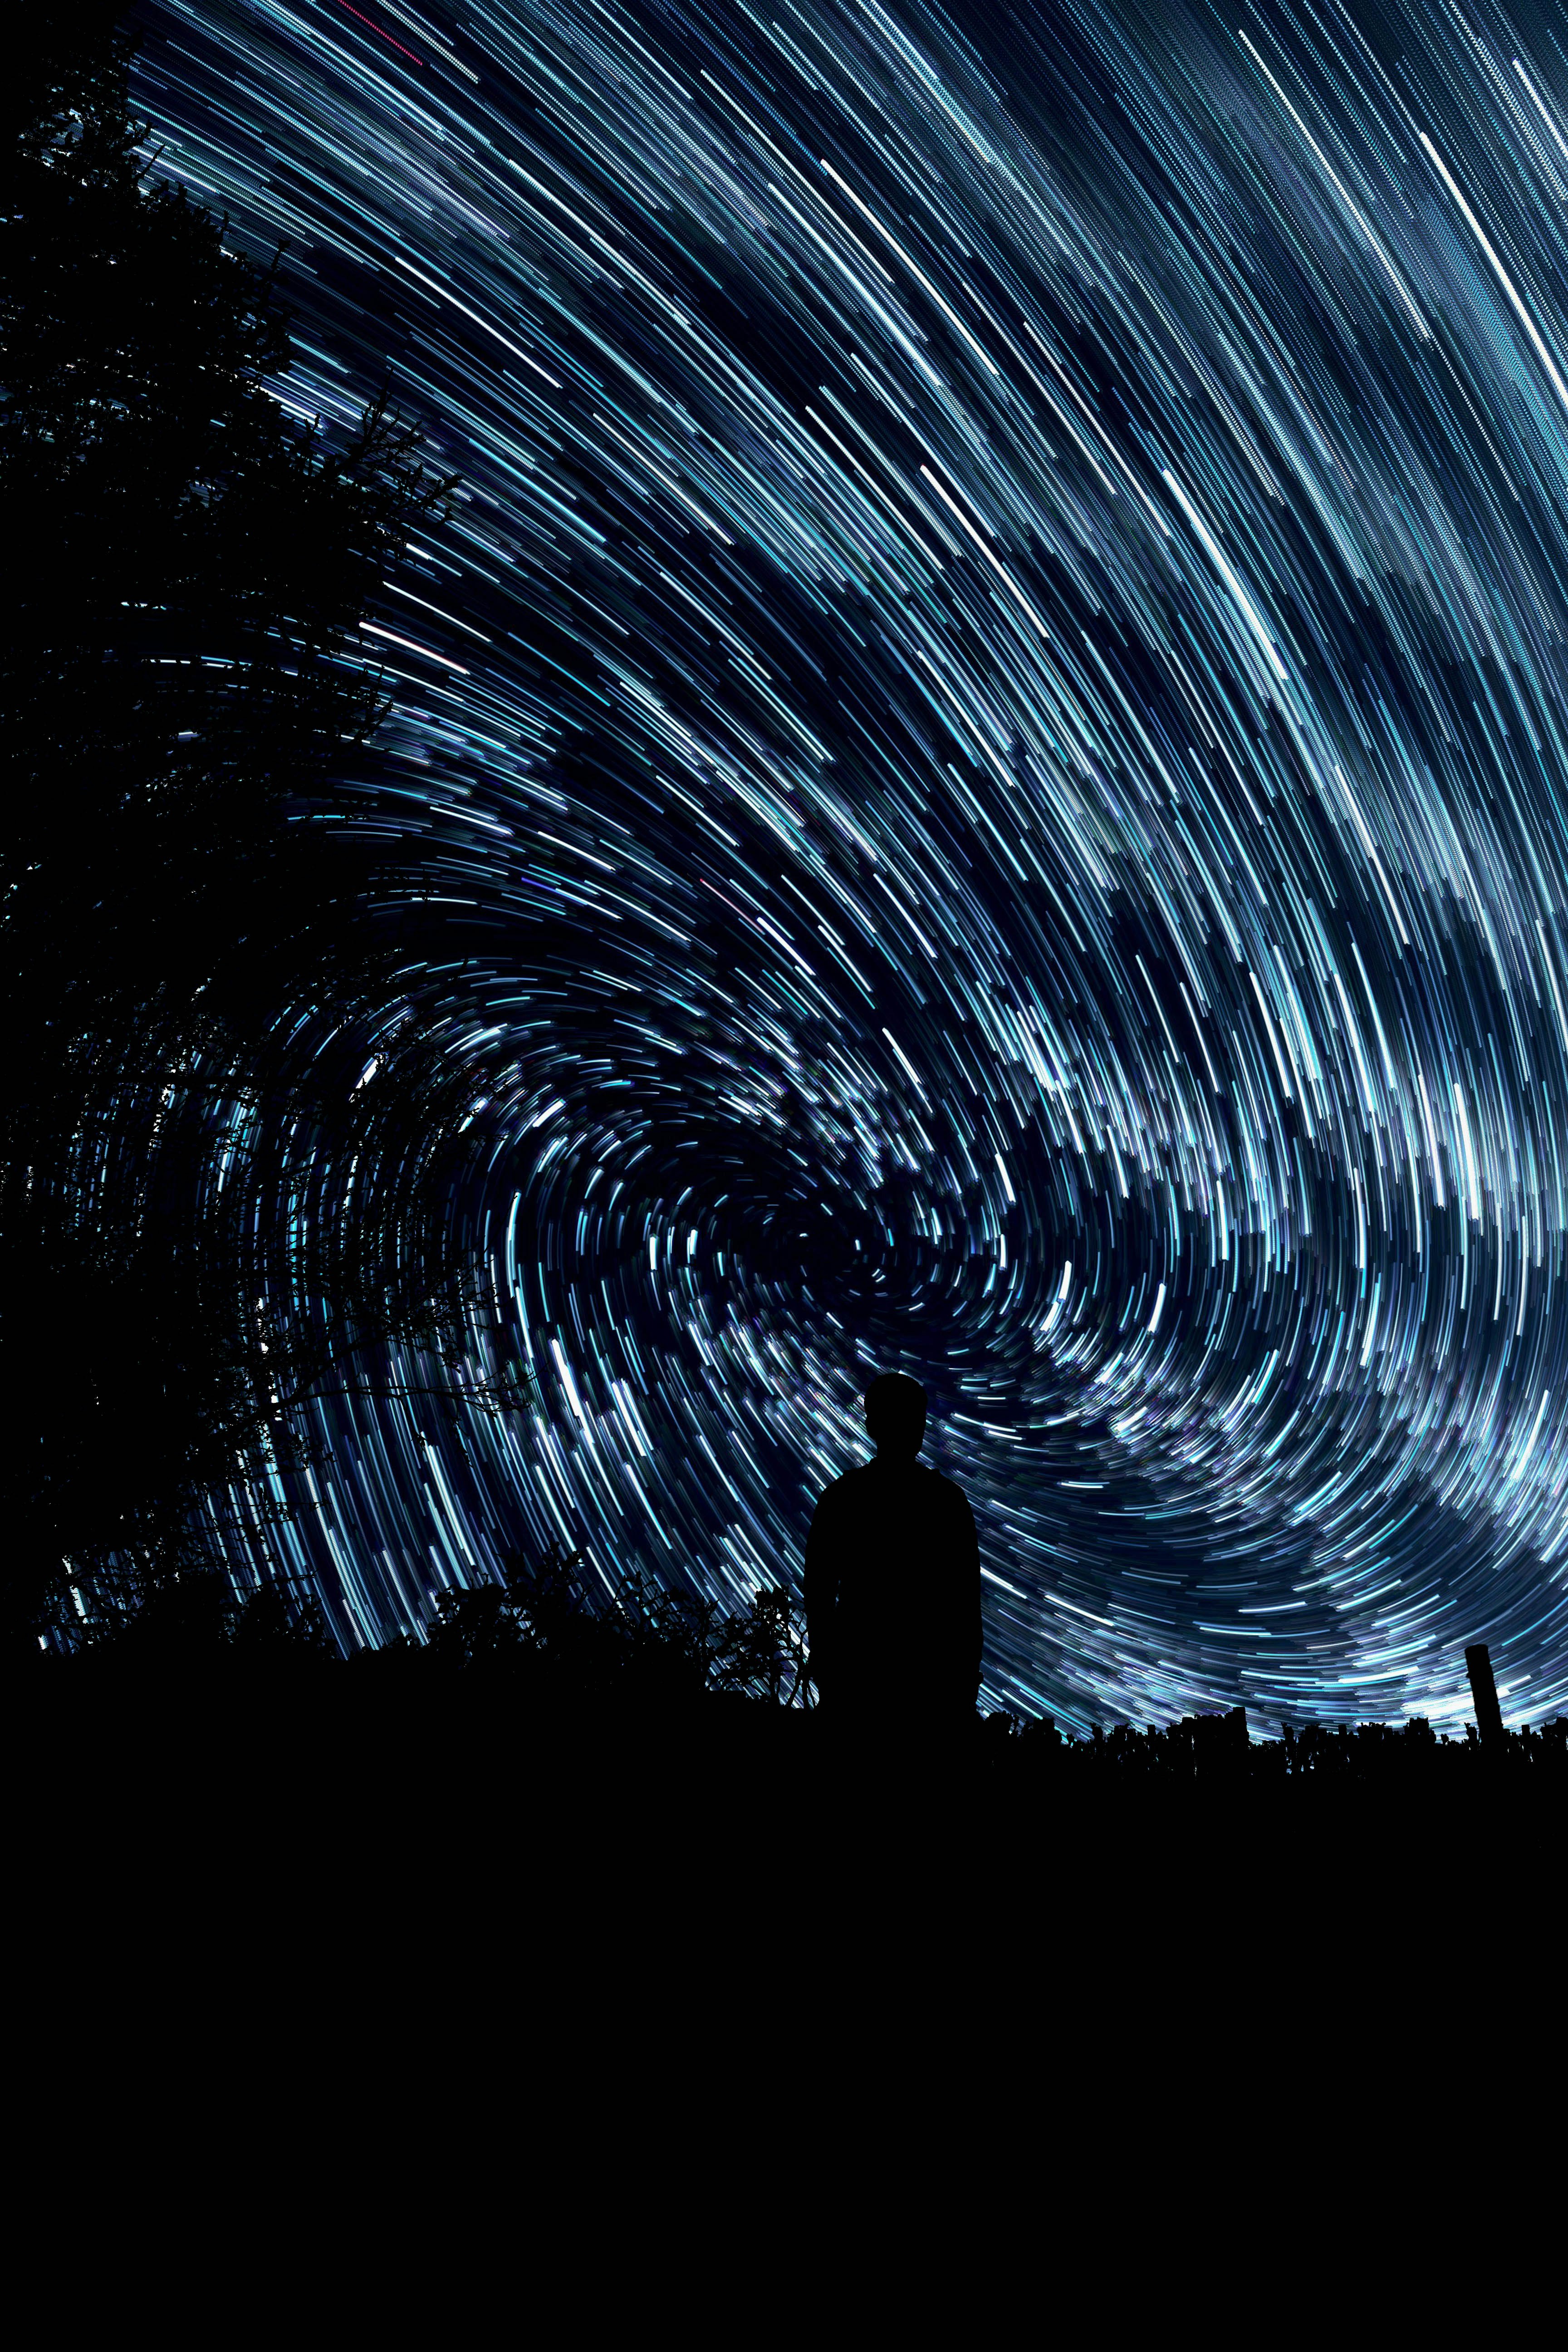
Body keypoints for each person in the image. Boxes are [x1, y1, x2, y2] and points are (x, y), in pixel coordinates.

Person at [804, 1372, 980, 1721]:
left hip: (876, 1682)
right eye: (907, 1417)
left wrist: (827, 1660)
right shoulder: (945, 1501)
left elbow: (819, 1590)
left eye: (915, 1417)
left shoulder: (844, 1496)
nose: (913, 1427)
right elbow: (965, 1601)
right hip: (916, 1687)